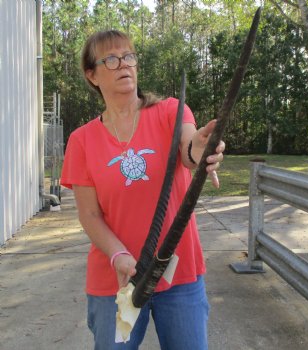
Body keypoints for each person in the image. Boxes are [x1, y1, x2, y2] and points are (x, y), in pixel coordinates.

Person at [60, 29, 225, 350]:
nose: (123, 64)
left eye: (129, 56)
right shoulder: (82, 140)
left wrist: (202, 151)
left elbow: (189, 150)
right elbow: (90, 214)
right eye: (111, 58)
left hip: (178, 276)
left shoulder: (170, 112)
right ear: (91, 75)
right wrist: (118, 255)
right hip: (118, 283)